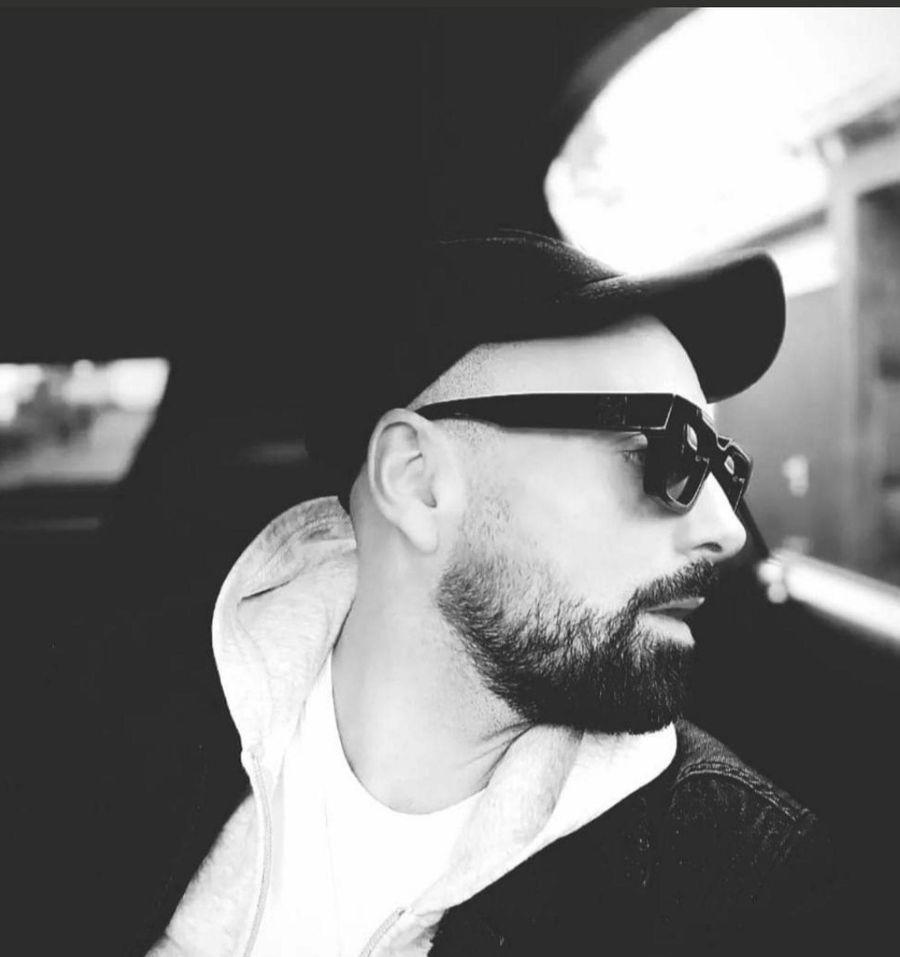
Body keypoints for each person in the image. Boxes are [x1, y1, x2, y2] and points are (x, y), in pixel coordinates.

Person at [140, 230, 843, 955]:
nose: (726, 528)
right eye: (659, 451)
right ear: (417, 481)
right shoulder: (108, 721)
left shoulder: (740, 882)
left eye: (721, 465)